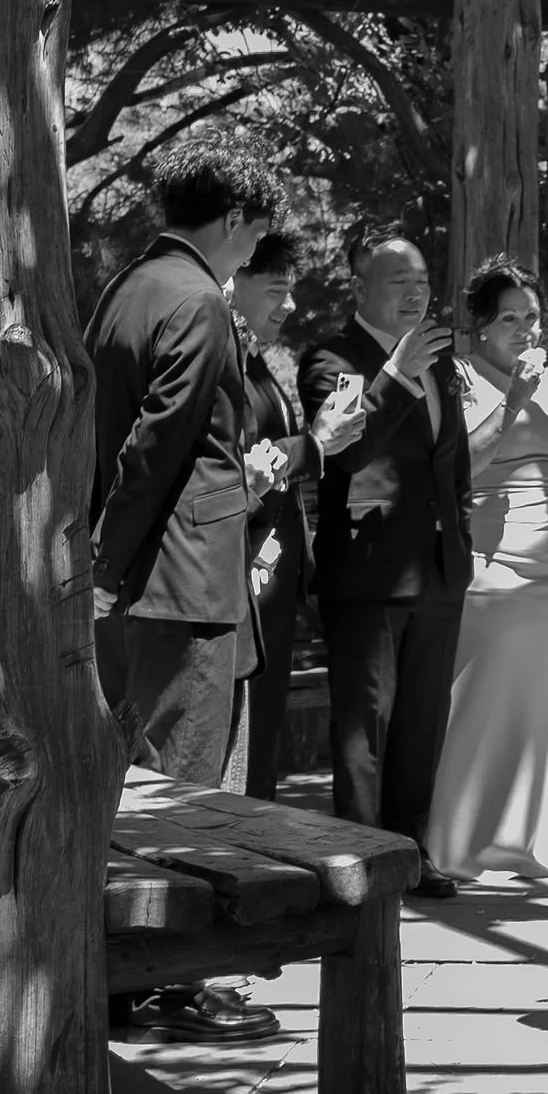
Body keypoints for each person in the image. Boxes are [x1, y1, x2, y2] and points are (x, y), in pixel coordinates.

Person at [88, 132, 284, 1044]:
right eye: (257, 232)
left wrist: (101, 566)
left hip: (134, 581)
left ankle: (124, 982)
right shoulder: (200, 300)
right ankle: (176, 986)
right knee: (185, 791)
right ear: (233, 218)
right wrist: (105, 562)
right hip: (181, 575)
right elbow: (157, 445)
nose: (257, 249)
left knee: (132, 787)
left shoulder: (126, 287)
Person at [425, 258, 548, 883]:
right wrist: (514, 401)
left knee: (544, 707)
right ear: (480, 324)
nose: (524, 330)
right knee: (479, 706)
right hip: (489, 572)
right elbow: (461, 468)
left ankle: (537, 837)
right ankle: (461, 840)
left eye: (531, 317)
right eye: (509, 318)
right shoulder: (457, 379)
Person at [301, 227, 472, 898]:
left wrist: (460, 538)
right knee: (365, 728)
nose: (415, 293)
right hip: (369, 570)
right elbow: (345, 452)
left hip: (437, 569)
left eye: (422, 281)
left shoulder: (439, 362)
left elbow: (452, 464)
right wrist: (396, 376)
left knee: (421, 723)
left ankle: (411, 851)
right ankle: (360, 861)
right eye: (399, 281)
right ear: (359, 288)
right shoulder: (334, 359)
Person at [228, 230, 338, 803]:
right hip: (241, 573)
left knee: (262, 734)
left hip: (274, 576)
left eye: (290, 290)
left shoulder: (255, 361)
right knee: (238, 738)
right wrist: (314, 443)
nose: (289, 304)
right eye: (276, 290)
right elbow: (242, 463)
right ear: (234, 282)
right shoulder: (220, 362)